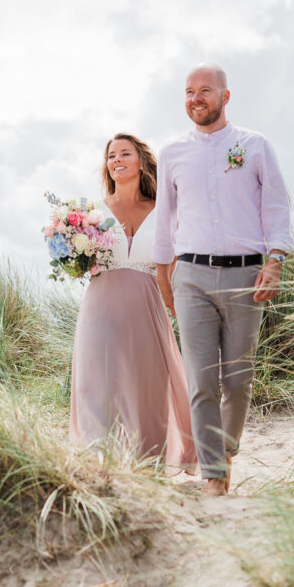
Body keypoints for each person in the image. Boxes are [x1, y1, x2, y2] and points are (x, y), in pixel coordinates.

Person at [154, 64, 293, 496]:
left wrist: (275, 261)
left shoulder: (254, 146)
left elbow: (275, 206)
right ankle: (214, 474)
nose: (196, 99)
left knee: (237, 379)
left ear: (225, 96)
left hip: (246, 275)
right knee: (200, 380)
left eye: (205, 91)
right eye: (189, 92)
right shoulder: (172, 152)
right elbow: (165, 219)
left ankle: (225, 451)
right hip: (190, 275)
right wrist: (163, 277)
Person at [69, 133, 196, 471]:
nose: (117, 160)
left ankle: (147, 464)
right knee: (96, 381)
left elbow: (178, 259)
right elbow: (79, 260)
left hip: (146, 304)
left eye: (125, 153)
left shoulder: (164, 210)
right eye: (111, 156)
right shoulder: (90, 213)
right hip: (101, 306)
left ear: (141, 161)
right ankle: (101, 464)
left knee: (147, 385)